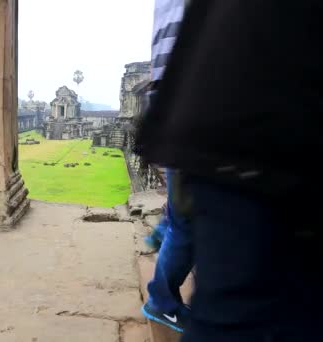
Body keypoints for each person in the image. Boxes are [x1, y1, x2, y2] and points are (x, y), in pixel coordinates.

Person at [135, 1, 323, 341]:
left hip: (218, 114)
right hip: (255, 131)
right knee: (255, 308)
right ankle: (161, 296)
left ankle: (163, 279)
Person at [137, 0, 193, 333]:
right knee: (190, 219)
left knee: (185, 205)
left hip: (171, 85)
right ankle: (161, 300)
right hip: (193, 87)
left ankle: (166, 226)